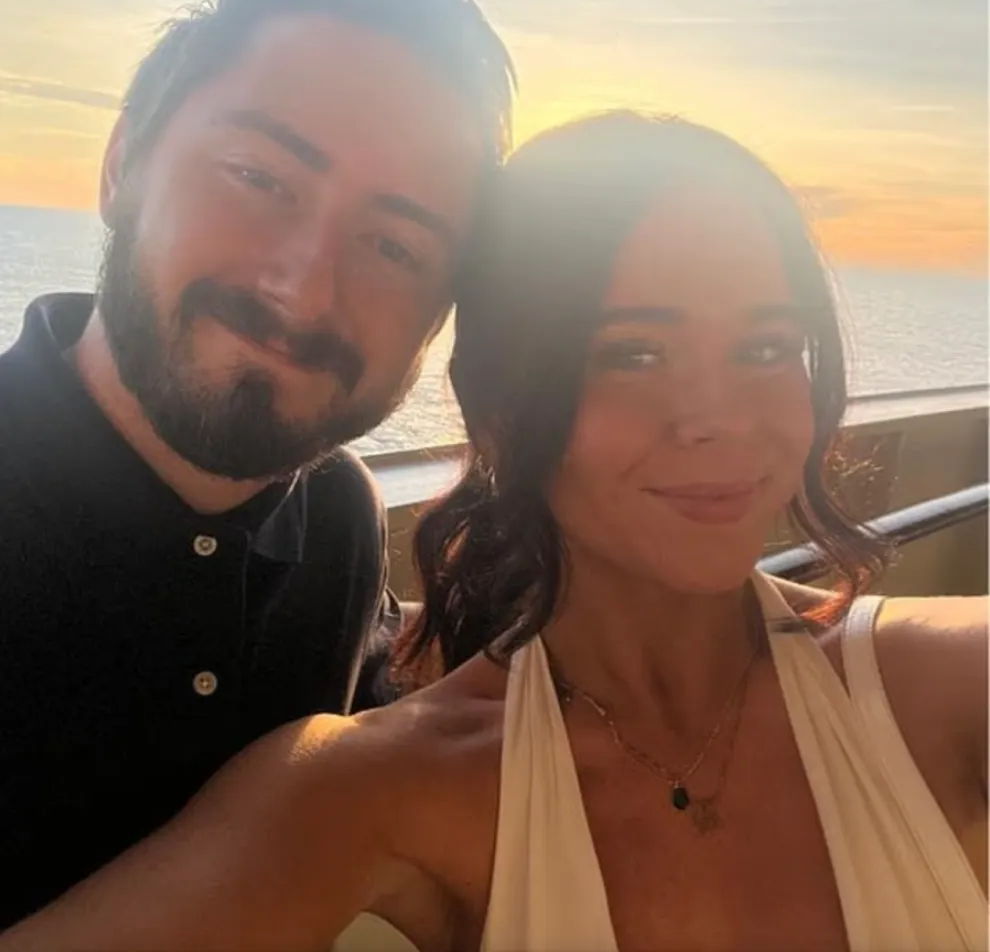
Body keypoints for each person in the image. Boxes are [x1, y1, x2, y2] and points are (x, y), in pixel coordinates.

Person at [2, 113, 985, 952]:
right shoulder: (371, 790)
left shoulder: (940, 686)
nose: (717, 415)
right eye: (633, 351)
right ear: (501, 409)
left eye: (767, 346)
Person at [0, 0, 513, 930]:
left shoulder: (338, 516)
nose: (303, 285)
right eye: (257, 176)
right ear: (123, 166)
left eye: (394, 244)